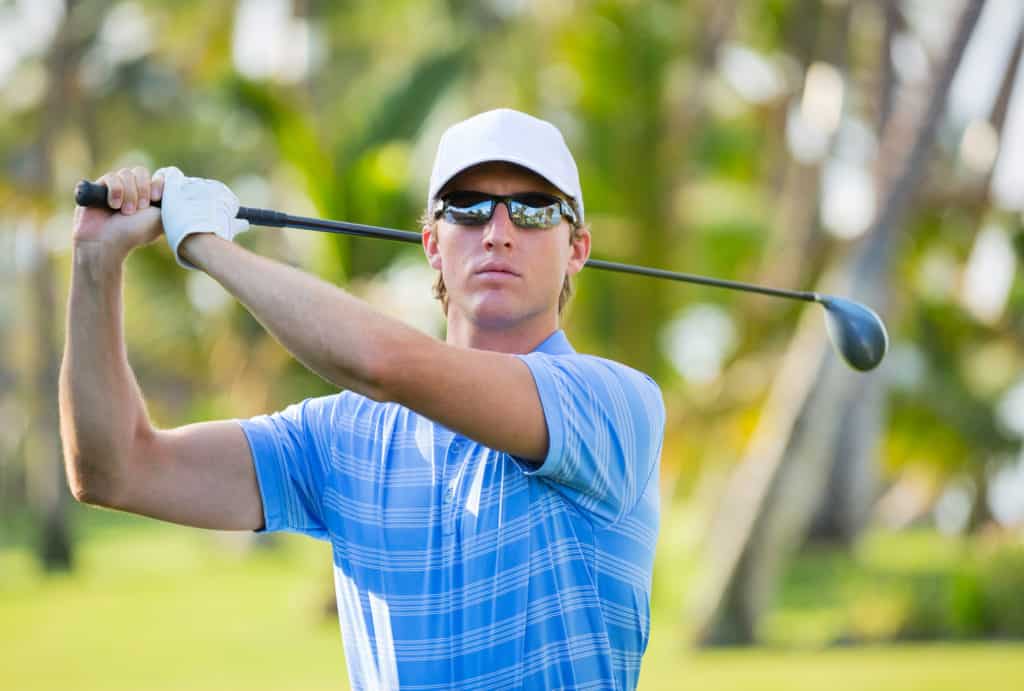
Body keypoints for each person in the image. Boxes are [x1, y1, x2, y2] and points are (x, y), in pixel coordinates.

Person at [60, 108, 665, 690]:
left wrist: (201, 242)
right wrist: (95, 263)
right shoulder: (342, 434)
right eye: (469, 209)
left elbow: (386, 365)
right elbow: (118, 470)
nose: (498, 233)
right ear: (432, 243)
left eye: (534, 210)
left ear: (577, 249)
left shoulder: (615, 404)